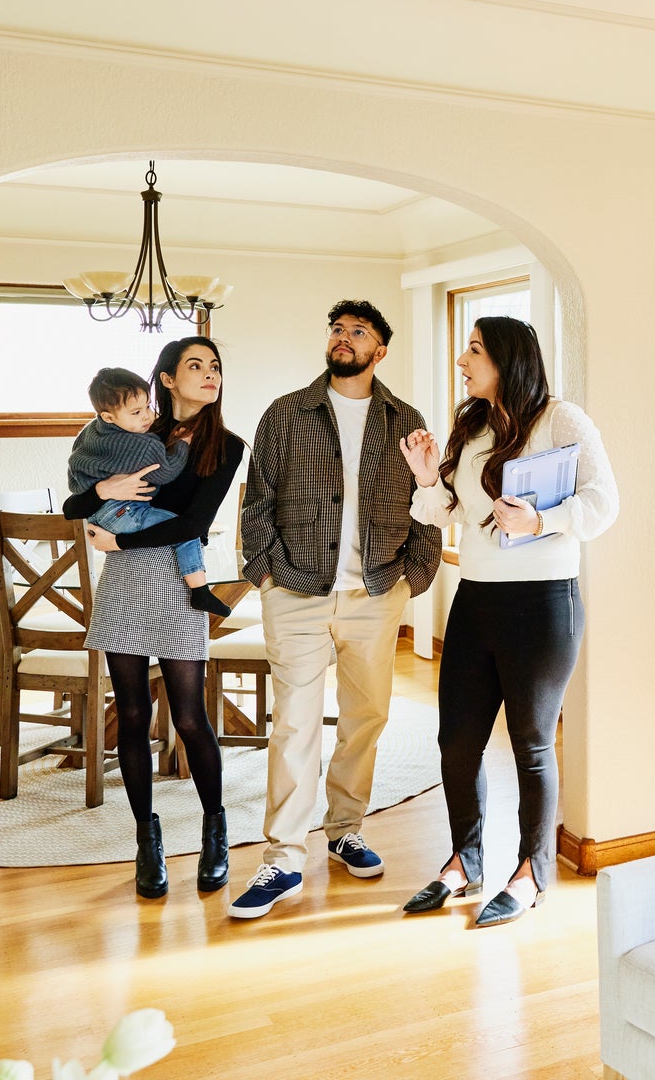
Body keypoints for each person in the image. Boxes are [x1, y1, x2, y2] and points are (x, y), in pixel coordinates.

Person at [398, 316, 618, 927]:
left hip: (544, 603)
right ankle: (464, 861)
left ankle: (532, 872)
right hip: (475, 599)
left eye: (474, 349)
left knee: (531, 742)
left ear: (507, 358)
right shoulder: (471, 426)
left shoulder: (562, 420)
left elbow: (604, 502)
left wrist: (541, 521)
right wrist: (426, 476)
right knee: (457, 739)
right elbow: (447, 512)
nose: (462, 360)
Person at [228, 299, 442, 921]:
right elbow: (256, 500)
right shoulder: (287, 413)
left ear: (380, 350)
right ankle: (283, 858)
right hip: (297, 590)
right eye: (338, 330)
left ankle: (345, 828)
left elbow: (428, 496)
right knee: (294, 724)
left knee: (366, 717)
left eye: (359, 332)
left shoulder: (405, 420)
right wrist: (266, 573)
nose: (344, 338)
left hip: (376, 594)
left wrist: (413, 576)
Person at [63, 337, 245, 899]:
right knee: (133, 714)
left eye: (215, 366)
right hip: (123, 588)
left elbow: (194, 524)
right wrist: (105, 489)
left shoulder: (227, 445)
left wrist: (117, 540)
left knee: (190, 718)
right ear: (166, 378)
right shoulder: (137, 428)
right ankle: (147, 837)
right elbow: (73, 507)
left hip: (175, 583)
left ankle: (215, 829)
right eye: (196, 365)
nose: (210, 374)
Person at [68, 366, 230, 618]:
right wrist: (181, 445)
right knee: (188, 536)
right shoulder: (140, 443)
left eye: (147, 406)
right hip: (124, 515)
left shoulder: (91, 432)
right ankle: (200, 591)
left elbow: (74, 494)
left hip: (101, 516)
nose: (147, 416)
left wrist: (101, 491)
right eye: (136, 412)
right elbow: (165, 472)